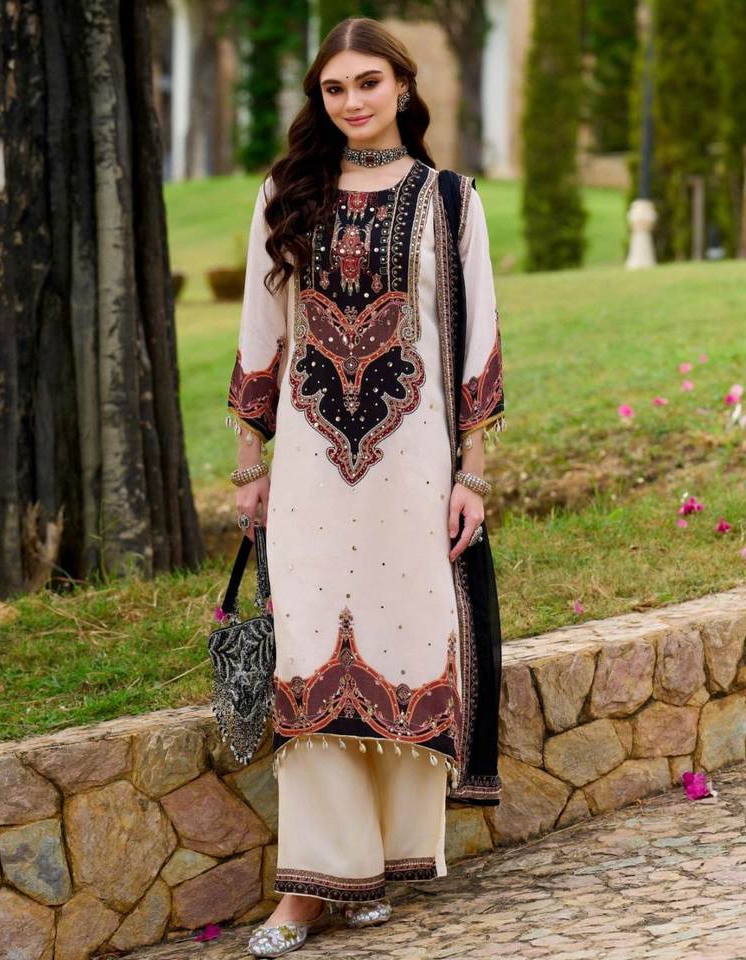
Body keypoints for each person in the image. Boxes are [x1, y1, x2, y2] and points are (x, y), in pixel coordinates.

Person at [226, 16, 505, 958]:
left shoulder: (450, 199)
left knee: (403, 641)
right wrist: (250, 464)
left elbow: (479, 342)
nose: (352, 101)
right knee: (310, 657)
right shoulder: (287, 193)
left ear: (403, 86)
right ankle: (307, 891)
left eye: (368, 83)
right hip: (310, 465)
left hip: (411, 466)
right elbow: (260, 331)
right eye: (335, 87)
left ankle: (371, 867)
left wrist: (473, 476)